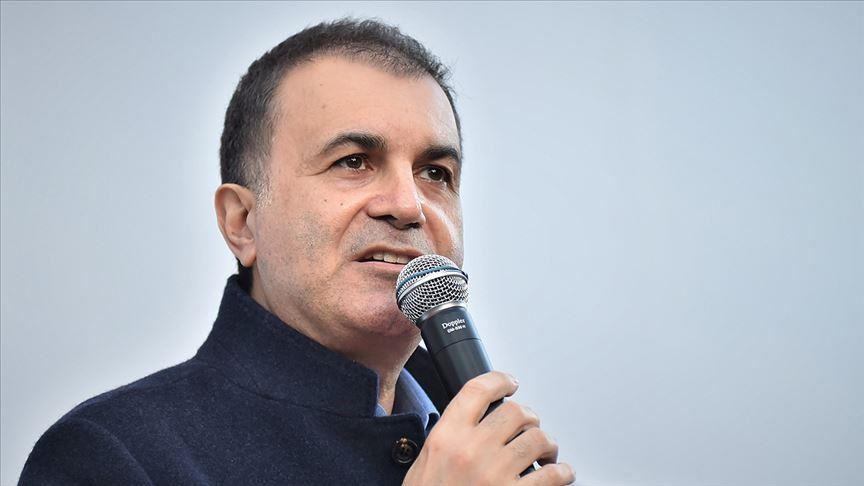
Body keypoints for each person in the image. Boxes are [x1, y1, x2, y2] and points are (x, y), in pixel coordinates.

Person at [19, 18, 575, 485]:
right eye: (353, 161)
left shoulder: (497, 452)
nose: (409, 206)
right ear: (242, 222)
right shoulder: (111, 456)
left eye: (435, 172)